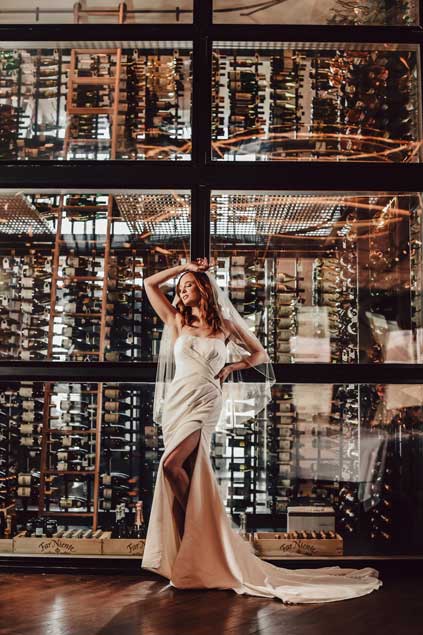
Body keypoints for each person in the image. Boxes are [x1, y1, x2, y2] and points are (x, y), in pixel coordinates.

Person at [141, 257, 382, 603]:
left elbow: (260, 354)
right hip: (179, 400)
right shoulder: (177, 320)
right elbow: (149, 284)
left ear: (204, 289)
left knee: (171, 466)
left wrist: (231, 367)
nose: (182, 290)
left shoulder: (224, 325)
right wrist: (180, 267)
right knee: (179, 471)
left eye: (189, 284)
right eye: (180, 288)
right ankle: (193, 544)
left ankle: (203, 531)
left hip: (205, 400)